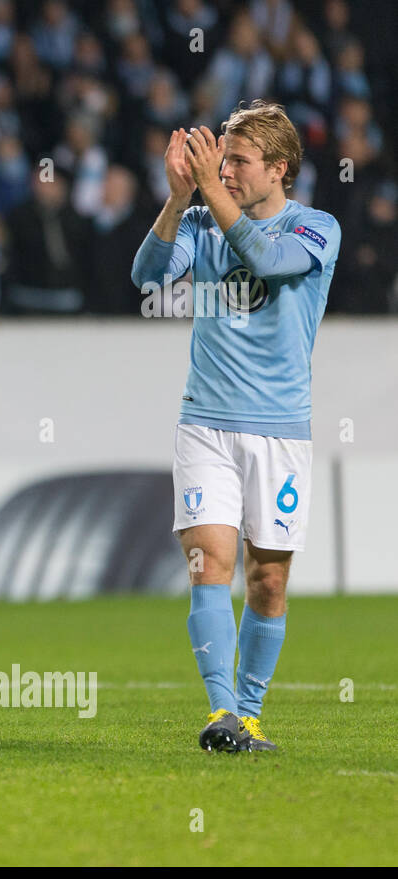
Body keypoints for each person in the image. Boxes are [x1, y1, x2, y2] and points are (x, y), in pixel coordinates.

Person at [130, 100, 341, 752]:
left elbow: (270, 264)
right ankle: (223, 712)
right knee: (210, 565)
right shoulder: (198, 219)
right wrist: (175, 199)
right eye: (222, 160)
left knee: (267, 580)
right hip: (206, 426)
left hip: (280, 431)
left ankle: (249, 714)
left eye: (239, 162)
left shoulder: (316, 229)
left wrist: (210, 195)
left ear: (279, 169)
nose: (226, 172)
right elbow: (146, 280)